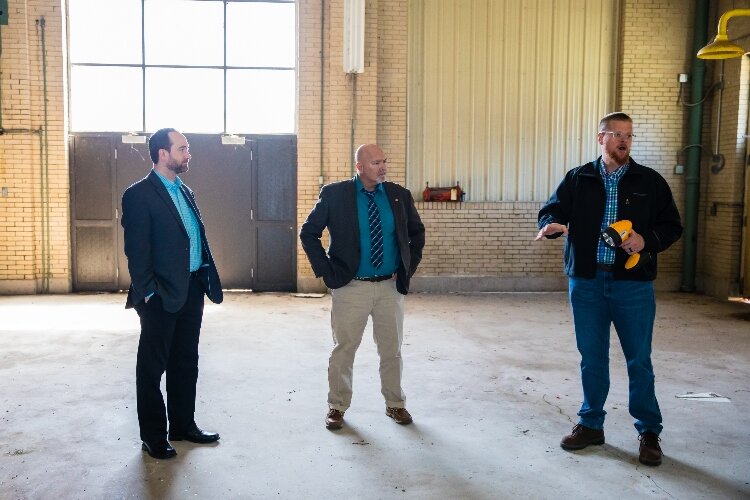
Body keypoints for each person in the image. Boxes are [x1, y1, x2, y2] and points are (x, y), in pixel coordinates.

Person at [535, 112, 682, 466]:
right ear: (601, 138)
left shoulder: (649, 181)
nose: (624, 141)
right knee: (592, 357)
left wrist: (647, 240)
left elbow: (672, 225)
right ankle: (591, 424)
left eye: (629, 135)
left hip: (633, 285)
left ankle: (648, 431)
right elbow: (551, 210)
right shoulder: (578, 178)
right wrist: (550, 224)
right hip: (586, 282)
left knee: (639, 360)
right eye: (617, 134)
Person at [300, 143, 425, 430]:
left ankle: (396, 404)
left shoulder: (398, 196)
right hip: (350, 287)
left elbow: (416, 234)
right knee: (344, 348)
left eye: (384, 161)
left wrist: (407, 268)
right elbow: (309, 233)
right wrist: (326, 270)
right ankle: (337, 407)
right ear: (359, 167)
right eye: (375, 163)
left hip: (389, 289)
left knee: (391, 350)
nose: (382, 167)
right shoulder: (335, 194)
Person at [121, 128, 223, 459]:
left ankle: (182, 425)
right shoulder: (138, 194)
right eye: (182, 148)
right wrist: (149, 294)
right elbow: (136, 252)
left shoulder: (186, 191)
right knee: (151, 368)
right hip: (160, 296)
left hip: (191, 289)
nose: (188, 153)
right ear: (163, 154)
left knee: (185, 361)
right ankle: (153, 435)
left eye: (187, 148)